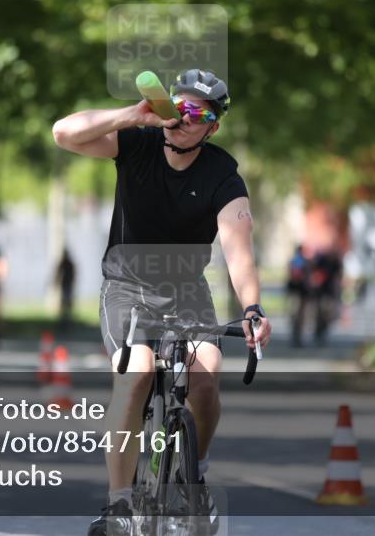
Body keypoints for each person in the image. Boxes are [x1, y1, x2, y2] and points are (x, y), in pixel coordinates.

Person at [52, 68, 271, 536]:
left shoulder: (222, 174)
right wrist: (133, 115)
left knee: (206, 375)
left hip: (186, 291)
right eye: (179, 106)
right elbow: (63, 133)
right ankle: (119, 504)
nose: (185, 118)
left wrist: (252, 308)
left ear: (213, 126)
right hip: (126, 285)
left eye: (200, 113)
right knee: (136, 373)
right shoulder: (136, 145)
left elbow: (238, 249)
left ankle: (196, 473)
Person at [310, 247, 343, 345]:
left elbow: (339, 276)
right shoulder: (321, 260)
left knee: (328, 314)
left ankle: (323, 331)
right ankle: (318, 332)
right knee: (320, 313)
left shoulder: (336, 262)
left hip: (331, 292)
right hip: (321, 292)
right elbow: (315, 273)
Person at [286, 244, 310, 347]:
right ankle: (297, 336)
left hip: (294, 292)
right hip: (300, 292)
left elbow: (289, 277)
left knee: (294, 315)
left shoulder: (293, 261)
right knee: (300, 316)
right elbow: (306, 279)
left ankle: (295, 335)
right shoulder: (304, 262)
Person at [56, 247, 76, 331]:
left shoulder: (67, 263)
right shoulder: (64, 263)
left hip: (67, 285)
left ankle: (67, 322)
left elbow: (72, 275)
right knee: (64, 304)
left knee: (67, 303)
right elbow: (58, 273)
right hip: (65, 285)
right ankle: (64, 321)